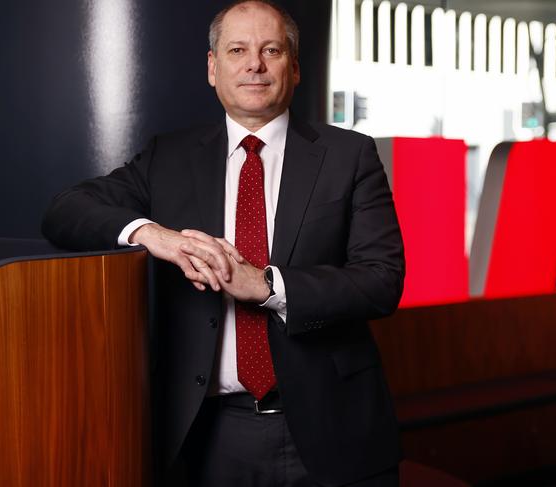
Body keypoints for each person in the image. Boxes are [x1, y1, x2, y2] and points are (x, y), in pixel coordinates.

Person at [42, 1, 405, 486]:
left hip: (330, 425)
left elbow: (382, 281)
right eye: (237, 50)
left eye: (270, 49)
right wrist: (155, 235)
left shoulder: (349, 155)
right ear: (214, 68)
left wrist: (267, 286)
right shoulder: (166, 158)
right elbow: (65, 209)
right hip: (207, 433)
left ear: (294, 68)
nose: (254, 64)